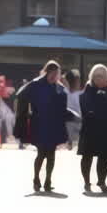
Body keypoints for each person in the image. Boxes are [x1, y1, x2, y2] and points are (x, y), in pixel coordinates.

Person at [19, 60, 70, 193]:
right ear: (47, 72)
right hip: (40, 124)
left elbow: (63, 107)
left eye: (57, 74)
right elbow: (22, 95)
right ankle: (36, 178)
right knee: (41, 153)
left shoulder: (59, 88)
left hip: (53, 125)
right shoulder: (36, 84)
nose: (54, 77)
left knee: (51, 154)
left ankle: (48, 180)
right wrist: (27, 113)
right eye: (52, 73)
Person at [78, 64, 107, 193]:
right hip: (89, 129)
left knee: (104, 157)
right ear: (92, 77)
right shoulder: (86, 92)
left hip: (106, 130)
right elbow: (86, 109)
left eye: (102, 76)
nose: (99, 79)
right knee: (87, 157)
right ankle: (86, 182)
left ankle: (102, 181)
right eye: (96, 76)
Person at [64, 69, 82, 152]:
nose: (79, 83)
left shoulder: (81, 94)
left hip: (78, 123)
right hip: (69, 122)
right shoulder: (64, 92)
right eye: (77, 80)